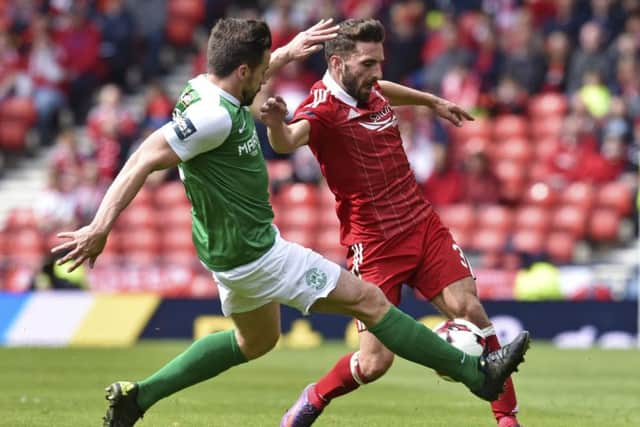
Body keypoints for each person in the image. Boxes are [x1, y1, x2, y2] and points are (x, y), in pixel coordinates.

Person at [52, 18, 529, 427]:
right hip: (259, 253)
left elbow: (253, 75)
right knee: (371, 304)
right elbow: (142, 160)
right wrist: (100, 226)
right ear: (244, 71)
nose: (268, 75)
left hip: (229, 259)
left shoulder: (202, 87)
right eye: (263, 68)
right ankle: (476, 376)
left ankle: (141, 397)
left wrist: (285, 51)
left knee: (254, 342)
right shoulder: (215, 118)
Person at [261, 19, 525, 427]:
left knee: (470, 309)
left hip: (421, 224)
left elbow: (386, 91)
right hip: (376, 244)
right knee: (374, 362)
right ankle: (315, 395)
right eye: (367, 64)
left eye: (379, 62)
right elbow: (287, 141)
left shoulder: (369, 88)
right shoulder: (322, 110)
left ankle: (507, 419)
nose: (377, 72)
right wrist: (276, 123)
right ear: (337, 63)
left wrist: (430, 101)